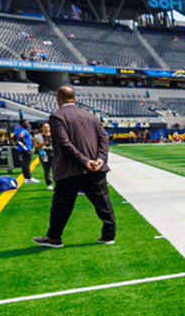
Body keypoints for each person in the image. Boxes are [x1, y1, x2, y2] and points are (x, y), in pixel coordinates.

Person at [32, 86, 115, 247]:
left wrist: (84, 161)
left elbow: (64, 144)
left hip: (70, 168)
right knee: (103, 203)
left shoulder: (57, 116)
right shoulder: (90, 115)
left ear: (58, 99)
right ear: (74, 99)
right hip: (95, 168)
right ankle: (108, 235)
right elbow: (104, 139)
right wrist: (100, 159)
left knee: (61, 205)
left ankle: (54, 237)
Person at [14, 119, 40, 183]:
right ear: (22, 124)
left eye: (28, 123)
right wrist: (24, 143)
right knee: (27, 164)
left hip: (22, 149)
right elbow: (20, 136)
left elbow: (14, 137)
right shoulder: (23, 130)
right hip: (26, 149)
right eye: (26, 123)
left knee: (25, 164)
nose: (28, 124)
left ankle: (26, 178)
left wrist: (17, 143)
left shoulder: (19, 130)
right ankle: (28, 178)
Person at [36, 122, 54, 190]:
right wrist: (42, 144)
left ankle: (58, 183)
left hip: (53, 152)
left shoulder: (53, 135)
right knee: (46, 170)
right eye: (45, 127)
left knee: (55, 169)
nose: (47, 129)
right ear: (41, 128)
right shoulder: (37, 136)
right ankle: (49, 184)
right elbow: (36, 148)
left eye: (48, 127)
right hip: (43, 152)